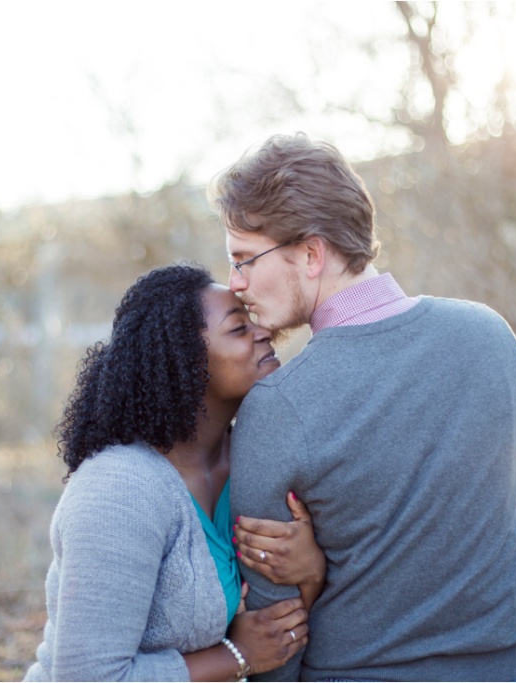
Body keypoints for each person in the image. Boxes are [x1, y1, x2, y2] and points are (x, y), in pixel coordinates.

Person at [210, 133, 516, 682]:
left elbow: (277, 627)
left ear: (312, 254)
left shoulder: (278, 406)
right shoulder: (491, 336)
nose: (236, 283)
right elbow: (505, 512)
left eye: (245, 259)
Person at [23, 264, 327, 682]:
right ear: (184, 360)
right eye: (239, 329)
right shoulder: (118, 490)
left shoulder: (250, 459)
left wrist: (311, 571)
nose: (264, 334)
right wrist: (235, 656)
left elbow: (276, 634)